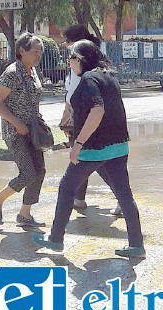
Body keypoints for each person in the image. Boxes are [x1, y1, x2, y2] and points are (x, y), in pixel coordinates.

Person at [33, 39, 146, 258]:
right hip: (119, 146)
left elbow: (97, 111)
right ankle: (136, 245)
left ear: (80, 59)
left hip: (95, 147)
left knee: (67, 187)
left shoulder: (88, 79)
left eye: (71, 57)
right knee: (124, 196)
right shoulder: (110, 76)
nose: (68, 62)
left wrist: (78, 143)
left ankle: (55, 239)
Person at [0, 33, 46, 228]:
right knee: (28, 173)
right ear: (22, 51)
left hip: (33, 131)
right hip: (16, 133)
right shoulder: (12, 73)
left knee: (40, 171)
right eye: (35, 51)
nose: (39, 55)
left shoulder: (32, 71)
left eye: (40, 51)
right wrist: (16, 123)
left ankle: (24, 214)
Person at [61, 24, 122, 216]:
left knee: (96, 161)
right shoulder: (86, 59)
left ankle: (121, 197)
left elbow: (92, 104)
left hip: (86, 118)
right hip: (82, 115)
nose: (65, 45)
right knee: (85, 160)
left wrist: (78, 138)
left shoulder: (81, 63)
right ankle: (79, 198)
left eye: (68, 40)